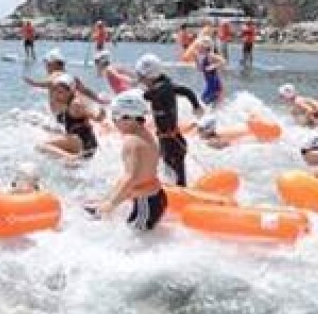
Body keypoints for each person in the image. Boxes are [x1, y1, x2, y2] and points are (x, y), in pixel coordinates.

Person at [90, 91, 167, 230]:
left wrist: (111, 204)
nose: (113, 122)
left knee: (136, 241)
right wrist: (106, 199)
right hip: (153, 197)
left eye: (115, 118)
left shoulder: (131, 142)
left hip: (147, 201)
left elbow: (130, 177)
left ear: (127, 117)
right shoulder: (144, 135)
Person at [136, 53, 203, 185]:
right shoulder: (166, 84)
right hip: (167, 139)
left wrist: (196, 106)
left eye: (141, 77)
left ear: (149, 76)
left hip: (173, 142)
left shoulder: (162, 89)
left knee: (177, 178)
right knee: (168, 172)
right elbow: (187, 91)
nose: (140, 81)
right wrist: (196, 106)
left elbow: (147, 96)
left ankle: (182, 194)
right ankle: (175, 191)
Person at [38, 73, 101, 162]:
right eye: (55, 91)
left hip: (82, 143)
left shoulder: (75, 104)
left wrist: (99, 114)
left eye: (60, 92)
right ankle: (71, 159)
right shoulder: (68, 103)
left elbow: (94, 115)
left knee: (41, 146)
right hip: (85, 145)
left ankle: (70, 157)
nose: (56, 95)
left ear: (70, 92)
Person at [25, 47, 102, 107]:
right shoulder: (71, 76)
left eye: (47, 64)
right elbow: (85, 91)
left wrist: (35, 83)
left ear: (54, 64)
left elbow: (53, 81)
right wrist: (99, 100)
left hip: (63, 116)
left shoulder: (55, 74)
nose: (46, 67)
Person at [195, 38, 226, 106]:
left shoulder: (210, 55)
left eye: (199, 47)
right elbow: (200, 69)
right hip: (210, 86)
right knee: (205, 104)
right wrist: (196, 60)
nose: (197, 49)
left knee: (203, 103)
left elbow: (223, 61)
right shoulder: (204, 57)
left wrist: (213, 66)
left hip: (215, 86)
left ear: (204, 47)